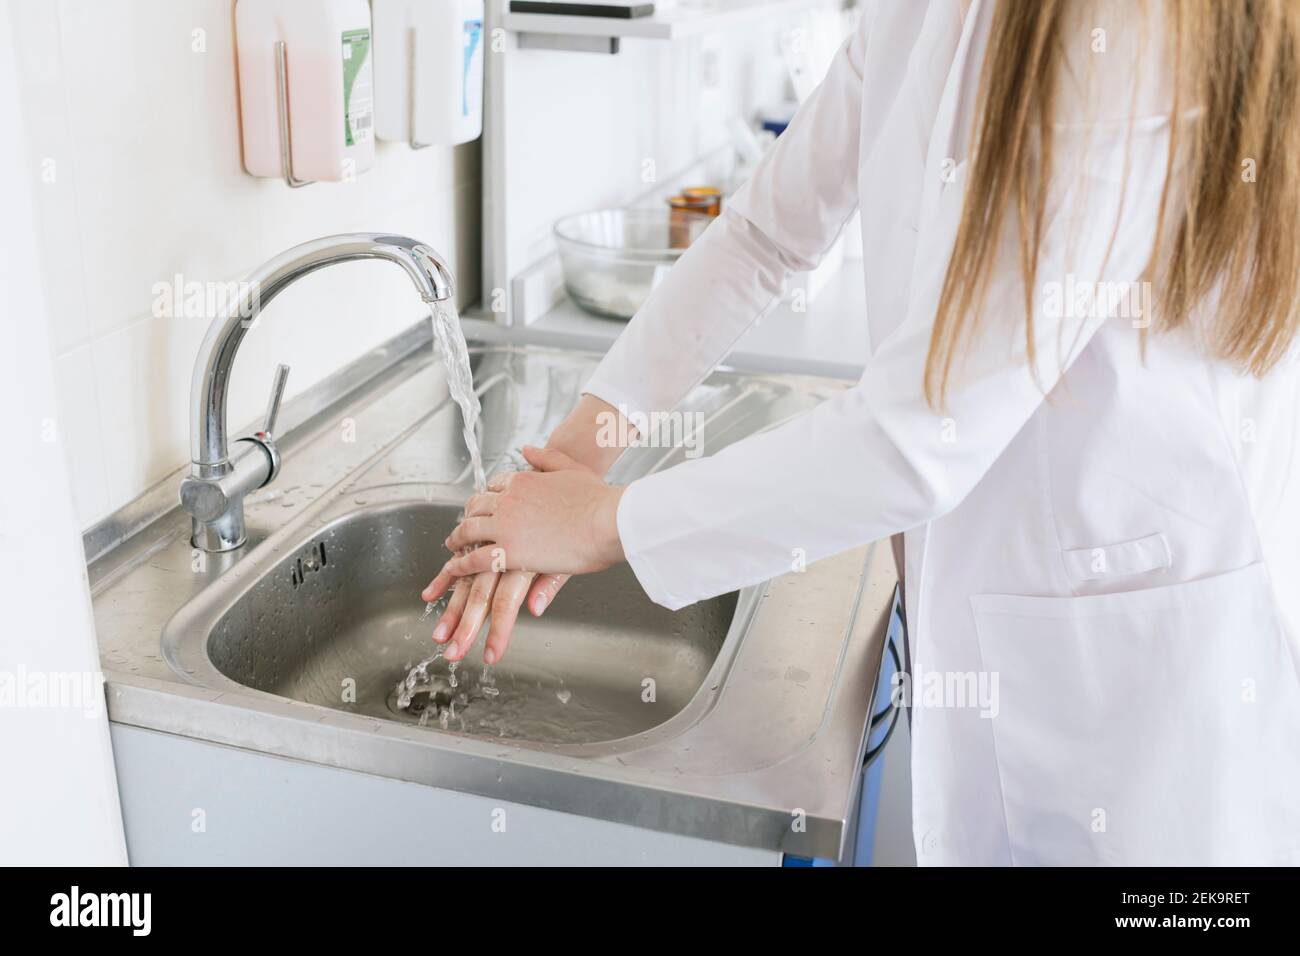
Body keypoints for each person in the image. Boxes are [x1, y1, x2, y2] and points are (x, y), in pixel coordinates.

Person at [424, 0, 1300, 865]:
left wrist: (603, 522)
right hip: (1014, 609)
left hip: (1150, 655)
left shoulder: (1124, 27)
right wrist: (583, 449)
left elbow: (917, 436)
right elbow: (768, 232)